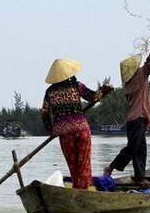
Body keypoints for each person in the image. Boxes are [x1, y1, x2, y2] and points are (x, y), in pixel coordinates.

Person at [41, 58, 113, 189]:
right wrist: (104, 89)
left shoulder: (50, 92)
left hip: (65, 133)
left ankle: (78, 189)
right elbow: (94, 97)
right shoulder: (76, 86)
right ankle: (84, 189)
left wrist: (50, 130)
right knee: (84, 164)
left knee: (73, 166)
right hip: (81, 130)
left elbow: (44, 113)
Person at [104, 33, 150, 187]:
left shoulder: (130, 84)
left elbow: (142, 99)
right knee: (133, 148)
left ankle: (139, 177)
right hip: (137, 119)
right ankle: (110, 167)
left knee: (140, 149)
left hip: (137, 119)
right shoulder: (139, 76)